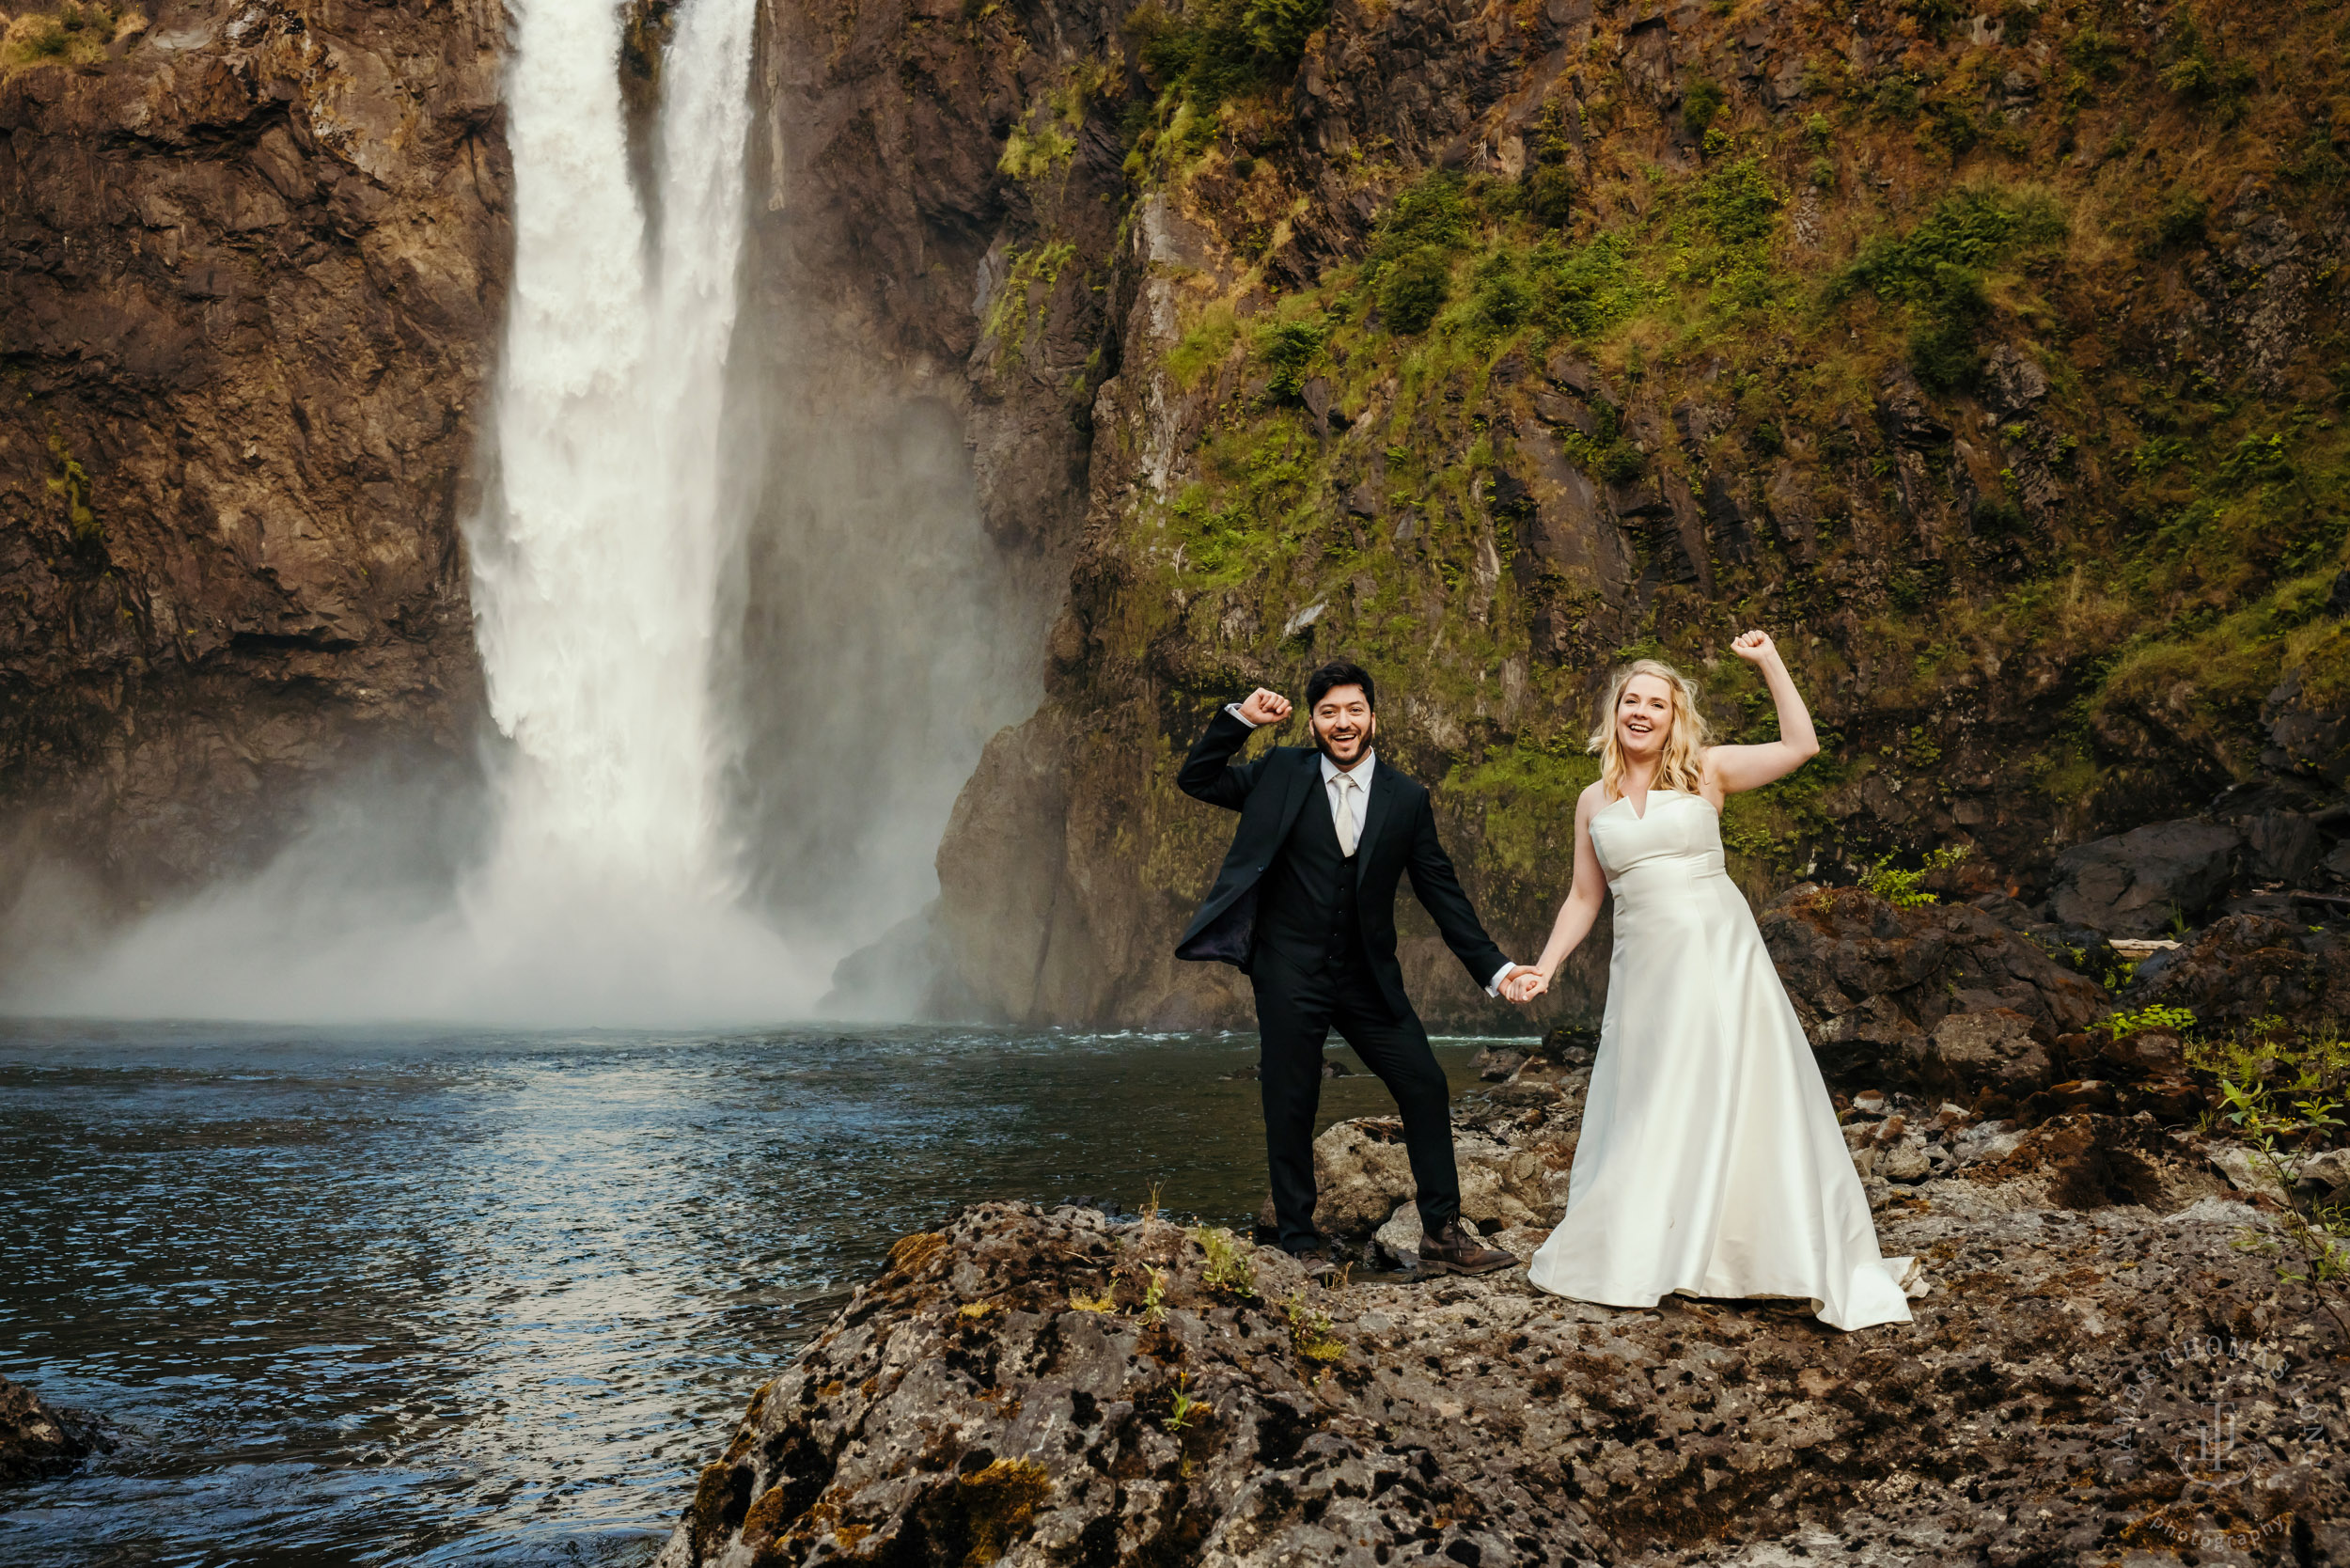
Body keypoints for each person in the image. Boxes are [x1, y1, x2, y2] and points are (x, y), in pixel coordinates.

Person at [1501, 632, 1917, 1331]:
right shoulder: (1591, 799)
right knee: (1654, 1097)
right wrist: (1545, 964)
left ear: (1674, 717)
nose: (1641, 712)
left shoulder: (1707, 771)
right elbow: (1584, 896)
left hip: (1720, 956)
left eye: (1655, 704)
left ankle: (1746, 1248)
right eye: (1630, 700)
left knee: (1736, 1089)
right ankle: (1658, 1247)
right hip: (1645, 970)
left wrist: (1768, 662)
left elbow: (1800, 747)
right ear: (1614, 713)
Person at [1176, 661, 1528, 1278]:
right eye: (1330, 712)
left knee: (1424, 1082)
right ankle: (1296, 1237)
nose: (1343, 723)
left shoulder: (1408, 799)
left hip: (1368, 977)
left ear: (1373, 718)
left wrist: (1496, 970)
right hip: (1288, 970)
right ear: (1313, 721)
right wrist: (1239, 721)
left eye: (1354, 710)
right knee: (1290, 1097)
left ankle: (1444, 1234)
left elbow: (1442, 894)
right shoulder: (1277, 772)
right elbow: (1197, 779)